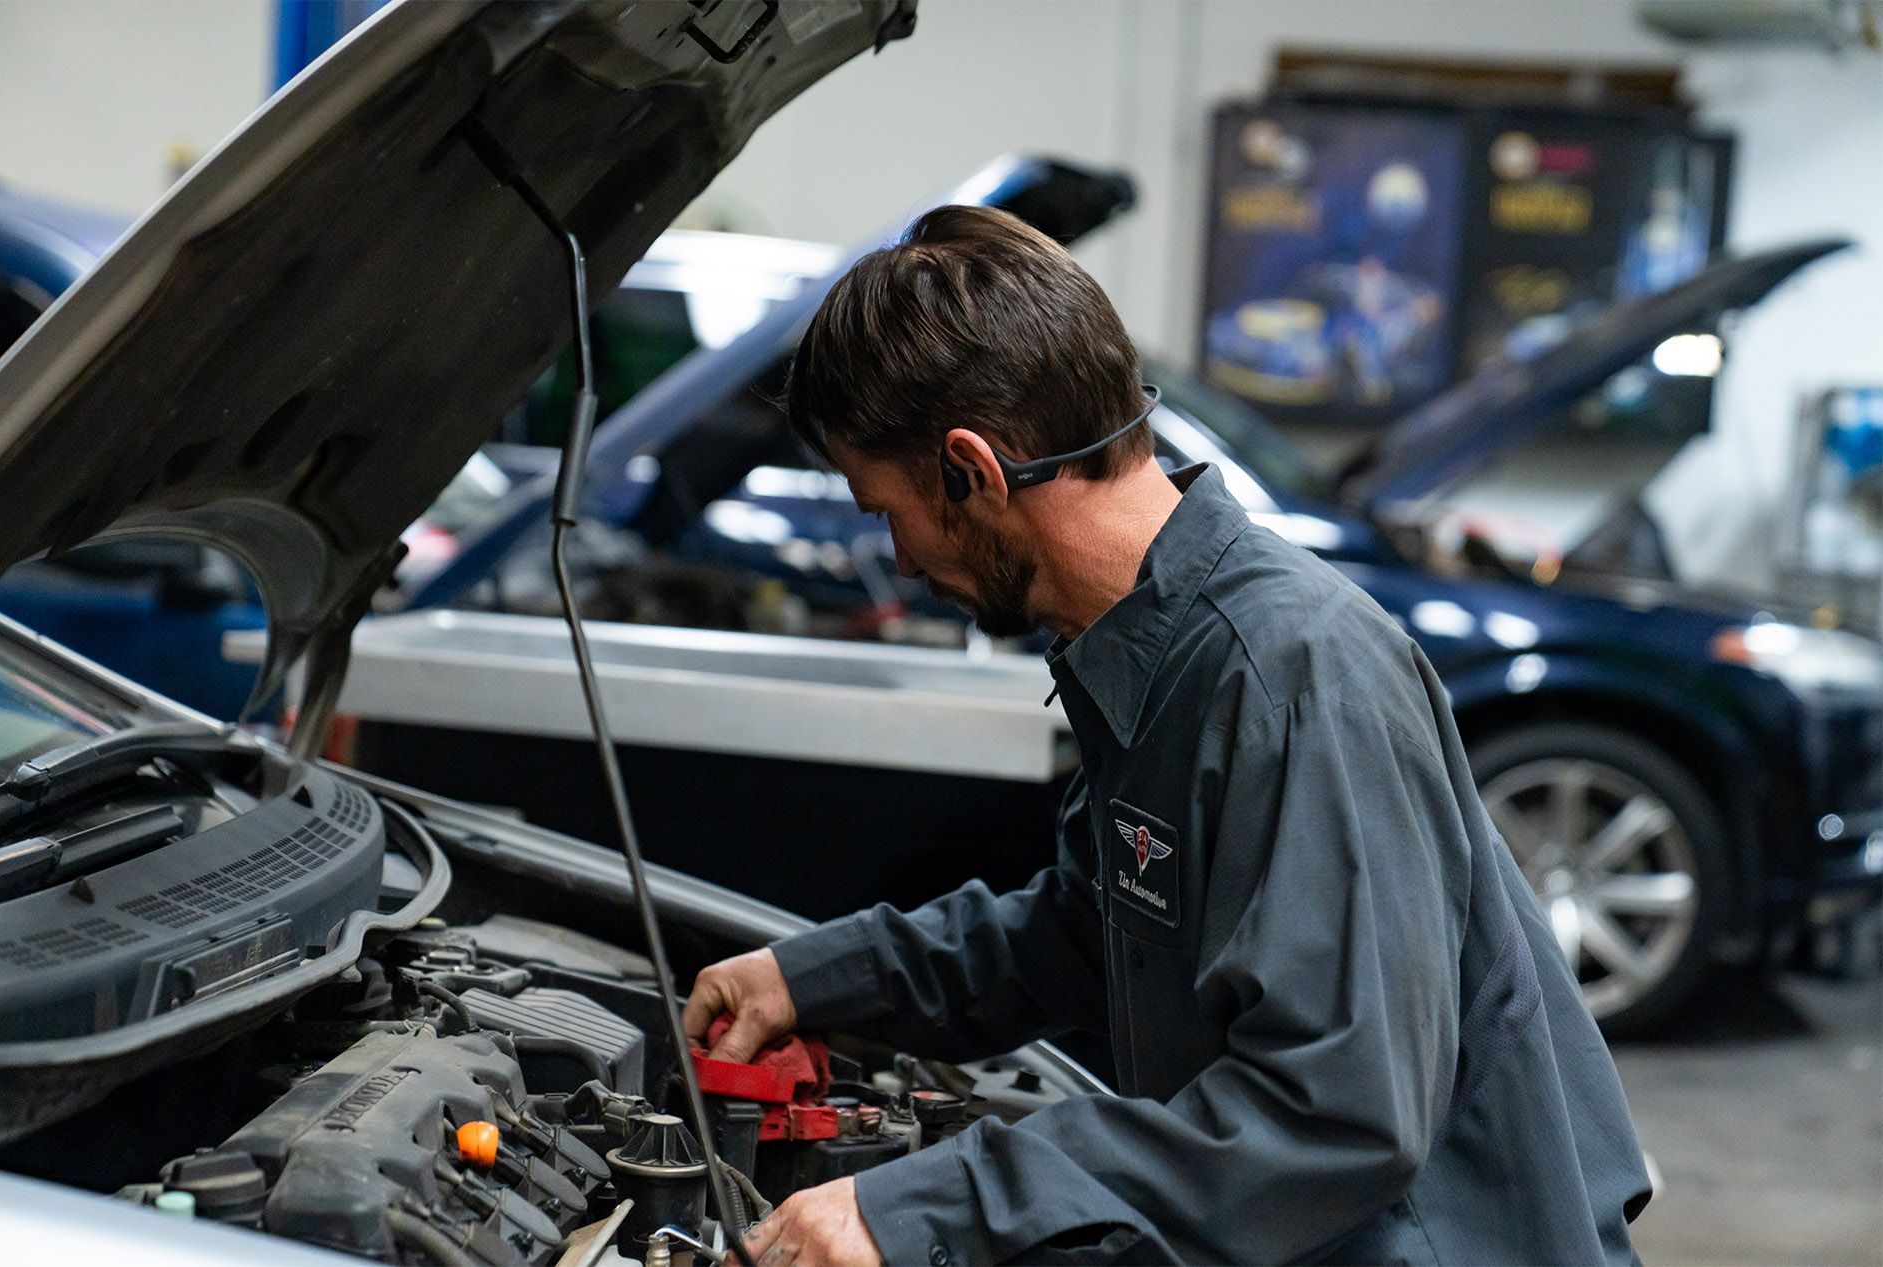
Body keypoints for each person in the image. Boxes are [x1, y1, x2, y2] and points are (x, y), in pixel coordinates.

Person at [682, 205, 1651, 1266]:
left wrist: (925, 1207)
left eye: (886, 512)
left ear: (973, 467)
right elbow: (1091, 935)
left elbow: (1336, 1112)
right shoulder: (1148, 643)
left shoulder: (1290, 674)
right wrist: (815, 976)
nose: (902, 561)